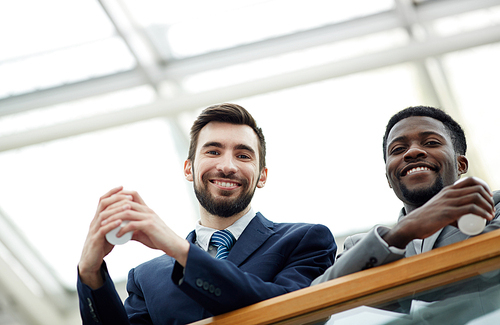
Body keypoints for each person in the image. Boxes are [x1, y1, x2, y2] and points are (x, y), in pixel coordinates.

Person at [77, 103, 336, 324]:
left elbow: (288, 310)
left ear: (262, 176)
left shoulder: (307, 240)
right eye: (213, 151)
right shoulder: (146, 278)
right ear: (189, 169)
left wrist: (181, 251)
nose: (227, 166)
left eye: (243, 155)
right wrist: (90, 273)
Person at [312, 105, 500, 285]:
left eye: (431, 142)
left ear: (461, 165)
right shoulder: (361, 245)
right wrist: (403, 232)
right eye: (398, 149)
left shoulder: (494, 208)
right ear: (388, 177)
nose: (413, 152)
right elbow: (319, 295)